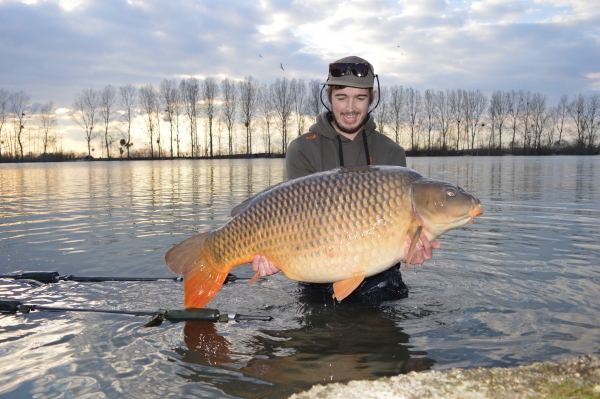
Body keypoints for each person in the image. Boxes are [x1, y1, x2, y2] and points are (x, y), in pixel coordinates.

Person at [252, 55, 440, 301]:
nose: (350, 108)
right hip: (317, 275)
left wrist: (410, 250)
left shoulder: (391, 153)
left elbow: (397, 231)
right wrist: (277, 255)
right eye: (341, 98)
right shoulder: (302, 149)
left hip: (379, 277)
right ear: (329, 97)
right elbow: (296, 222)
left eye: (360, 98)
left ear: (372, 98)